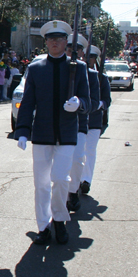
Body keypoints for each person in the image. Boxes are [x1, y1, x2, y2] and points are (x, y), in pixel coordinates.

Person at [14, 20, 91, 245]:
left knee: (60, 179)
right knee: (41, 183)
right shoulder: (36, 69)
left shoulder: (78, 68)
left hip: (66, 133)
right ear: (45, 42)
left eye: (59, 39)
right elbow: (28, 102)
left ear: (66, 42)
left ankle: (59, 219)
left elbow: (88, 100)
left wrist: (79, 103)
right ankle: (43, 226)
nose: (55, 42)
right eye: (50, 39)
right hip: (42, 133)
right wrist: (22, 130)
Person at [66, 36, 99, 212]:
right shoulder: (57, 70)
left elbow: (93, 102)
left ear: (81, 52)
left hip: (79, 123)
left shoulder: (90, 74)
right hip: (59, 124)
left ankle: (73, 191)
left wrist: (80, 104)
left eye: (76, 50)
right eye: (69, 49)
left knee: (78, 160)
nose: (72, 53)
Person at [79, 45, 111, 195]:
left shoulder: (101, 78)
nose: (88, 60)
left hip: (94, 120)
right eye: (86, 56)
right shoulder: (78, 74)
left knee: (90, 151)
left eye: (91, 57)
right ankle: (77, 179)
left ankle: (86, 180)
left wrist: (99, 104)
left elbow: (107, 100)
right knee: (78, 153)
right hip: (79, 120)